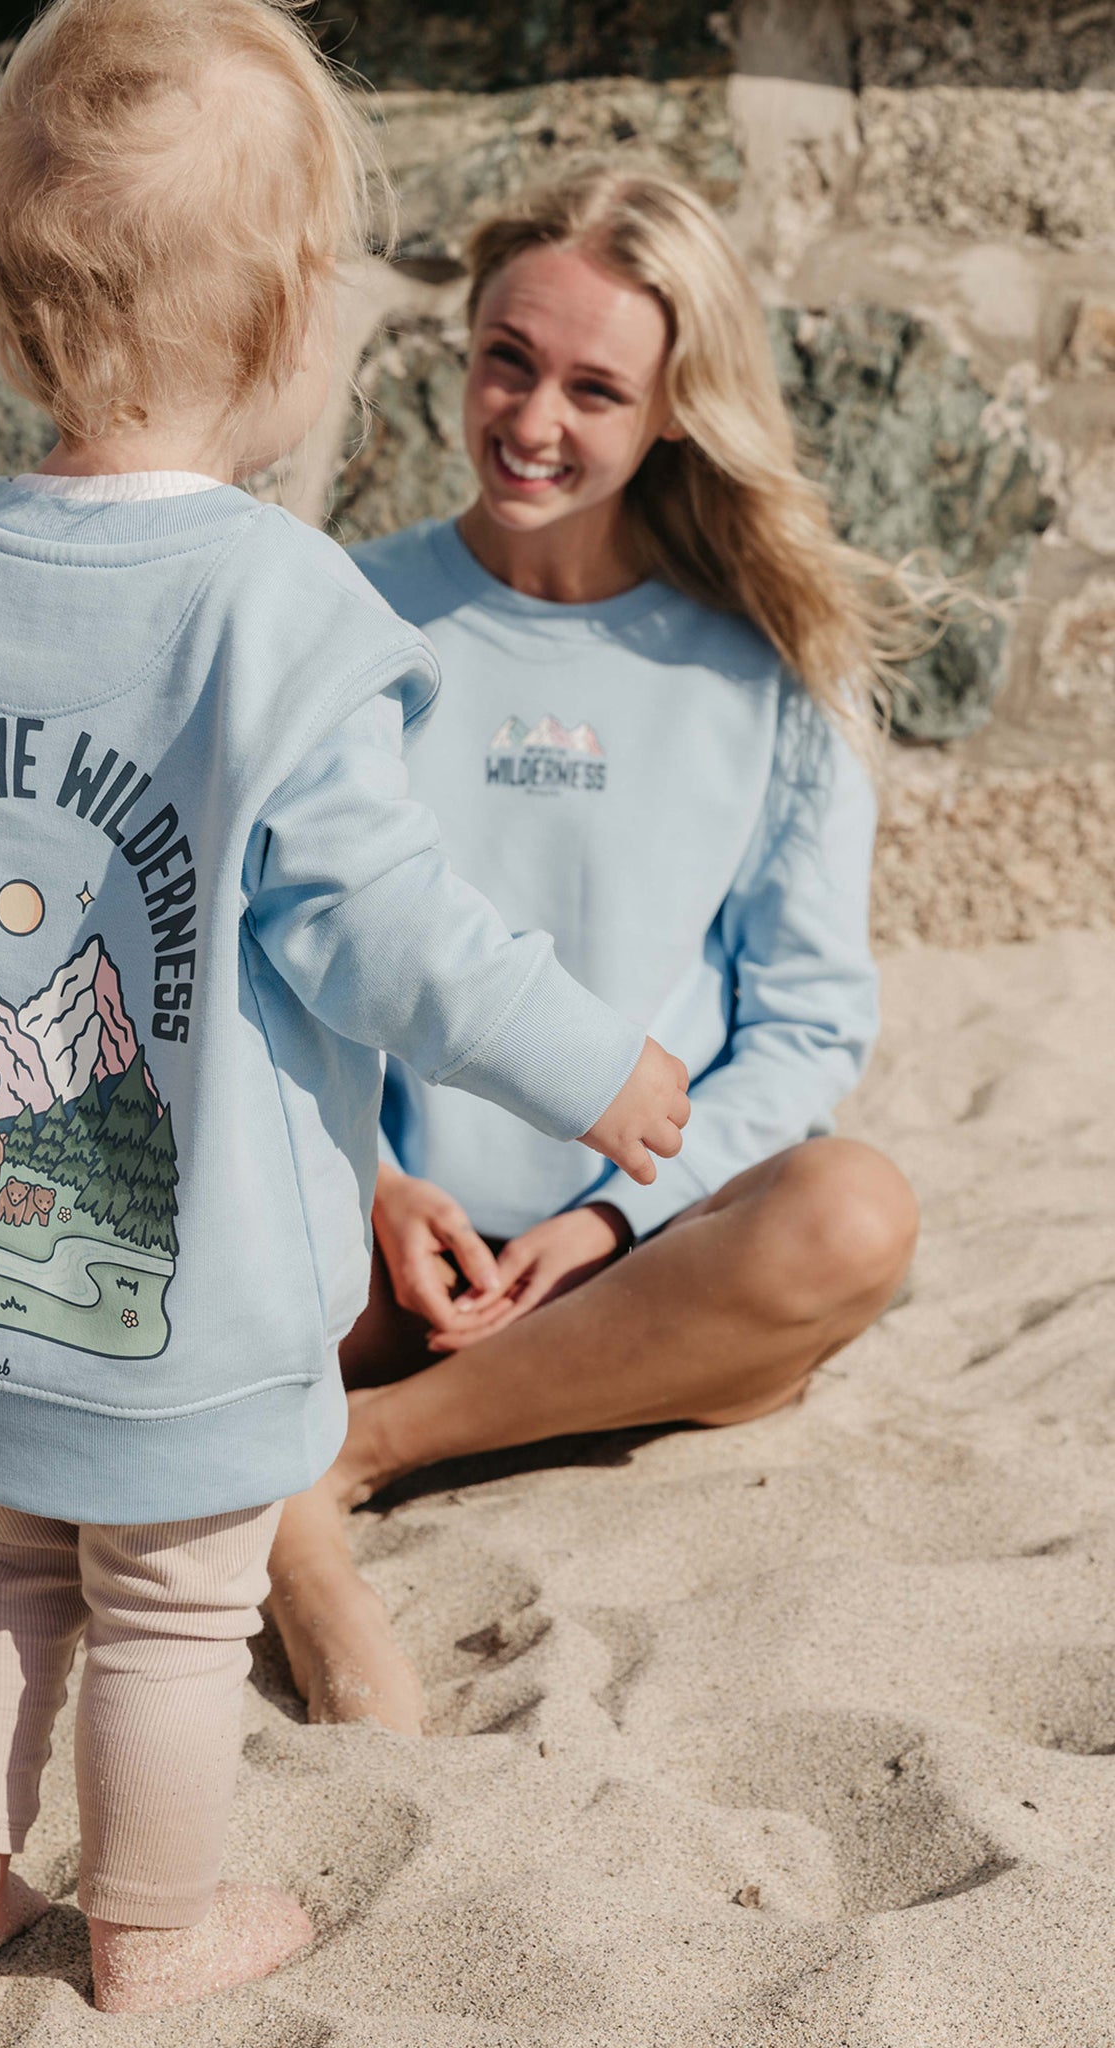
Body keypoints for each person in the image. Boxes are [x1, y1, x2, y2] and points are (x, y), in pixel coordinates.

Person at [0, 20, 691, 2015]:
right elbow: (386, 931)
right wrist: (595, 1064)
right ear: (287, 328)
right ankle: (153, 1925)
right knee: (167, 1597)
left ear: (8, 312)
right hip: (188, 1284)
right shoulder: (280, 604)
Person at [267, 167, 923, 1737]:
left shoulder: (768, 671)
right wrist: (374, 1186)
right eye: (507, 357)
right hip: (359, 1252)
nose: (532, 419)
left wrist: (624, 1218)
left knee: (856, 1214)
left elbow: (810, 1030)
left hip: (630, 1258)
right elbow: (254, 952)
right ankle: (382, 1422)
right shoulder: (340, 615)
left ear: (678, 411)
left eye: (595, 386)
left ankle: (350, 1457)